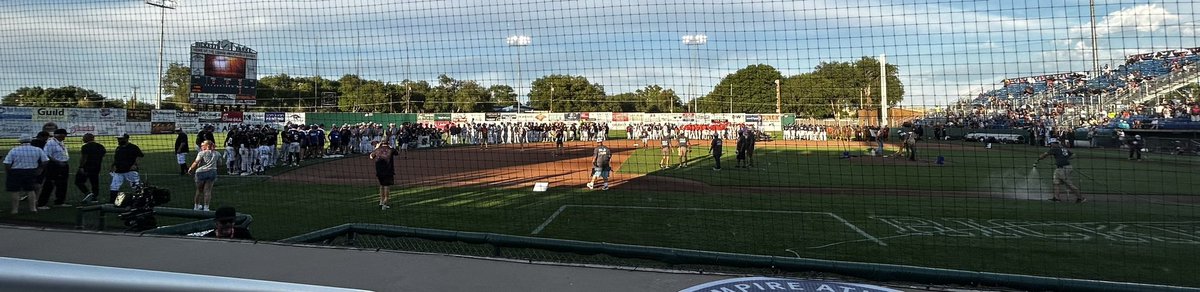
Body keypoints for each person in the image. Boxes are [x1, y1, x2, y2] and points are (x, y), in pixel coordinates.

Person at [6, 134, 48, 214]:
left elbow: (7, 163)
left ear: (20, 141)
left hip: (16, 171)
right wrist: (40, 169)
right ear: (31, 140)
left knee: (15, 191)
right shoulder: (37, 149)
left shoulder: (14, 150)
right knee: (31, 190)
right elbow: (45, 160)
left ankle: (15, 210)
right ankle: (33, 209)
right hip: (31, 171)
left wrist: (9, 172)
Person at [1036, 139, 1085, 203]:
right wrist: (1065, 159)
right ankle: (1057, 198)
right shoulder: (1063, 149)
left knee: (1069, 184)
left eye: (1051, 144)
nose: (1050, 145)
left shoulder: (1054, 148)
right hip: (1061, 168)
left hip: (1063, 169)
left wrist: (1039, 158)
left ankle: (1080, 198)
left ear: (1054, 143)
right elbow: (1073, 155)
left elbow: (1045, 155)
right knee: (1056, 182)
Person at [38, 129, 71, 209]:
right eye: (64, 134)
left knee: (62, 184)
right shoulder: (50, 143)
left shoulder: (61, 142)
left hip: (64, 165)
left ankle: (59, 202)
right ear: (59, 135)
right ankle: (41, 204)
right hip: (54, 166)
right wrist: (58, 162)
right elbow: (46, 155)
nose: (65, 136)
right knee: (49, 184)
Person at [108, 133, 144, 204]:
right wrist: (112, 166)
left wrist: (135, 165)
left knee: (136, 186)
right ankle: (112, 202)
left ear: (126, 139)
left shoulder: (133, 147)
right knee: (114, 186)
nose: (119, 140)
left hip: (130, 171)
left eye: (120, 139)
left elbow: (140, 156)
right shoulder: (119, 148)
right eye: (118, 139)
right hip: (118, 171)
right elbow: (116, 159)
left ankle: (141, 200)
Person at [188, 140, 222, 211]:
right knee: (208, 191)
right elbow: (220, 164)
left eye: (202, 146)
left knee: (198, 191)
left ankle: (196, 207)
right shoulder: (217, 153)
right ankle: (206, 208)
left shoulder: (201, 153)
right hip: (212, 172)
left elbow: (196, 162)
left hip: (201, 172)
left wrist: (191, 168)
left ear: (207, 146)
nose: (201, 147)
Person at [76, 134, 106, 204]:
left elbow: (84, 158)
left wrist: (81, 167)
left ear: (88, 138)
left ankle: (88, 194)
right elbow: (103, 155)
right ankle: (94, 197)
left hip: (87, 167)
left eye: (84, 138)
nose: (83, 139)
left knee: (78, 181)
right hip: (97, 167)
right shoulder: (100, 146)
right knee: (94, 182)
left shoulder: (85, 147)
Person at [369, 141, 398, 210]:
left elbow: (371, 156)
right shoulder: (390, 149)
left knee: (381, 185)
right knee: (386, 186)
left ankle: (381, 202)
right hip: (388, 171)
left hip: (379, 171)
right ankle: (385, 203)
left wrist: (377, 148)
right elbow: (397, 153)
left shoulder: (377, 149)